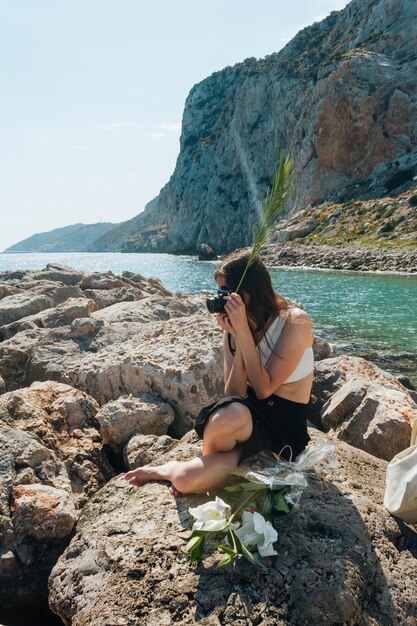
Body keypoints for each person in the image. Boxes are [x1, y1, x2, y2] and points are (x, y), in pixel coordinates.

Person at [125, 251, 313, 495]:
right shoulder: (235, 329)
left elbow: (264, 389)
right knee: (228, 414)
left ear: (249, 290)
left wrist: (243, 332)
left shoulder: (294, 321)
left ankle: (171, 468)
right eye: (220, 293)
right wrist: (236, 335)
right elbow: (233, 394)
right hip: (244, 422)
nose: (221, 300)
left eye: (226, 293)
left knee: (185, 479)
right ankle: (209, 464)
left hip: (283, 435)